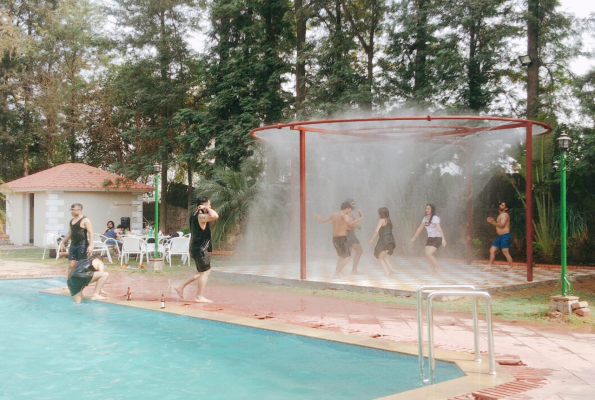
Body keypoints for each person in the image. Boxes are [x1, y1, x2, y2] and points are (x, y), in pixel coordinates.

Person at [175, 196, 219, 303]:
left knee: (201, 272)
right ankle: (199, 297)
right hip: (200, 249)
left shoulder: (194, 214)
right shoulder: (201, 216)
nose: (210, 207)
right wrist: (206, 208)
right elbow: (215, 216)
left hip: (195, 248)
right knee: (206, 272)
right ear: (203, 205)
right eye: (209, 204)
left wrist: (205, 207)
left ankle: (180, 287)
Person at [314, 201, 363, 278]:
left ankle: (338, 272)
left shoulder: (333, 214)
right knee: (348, 257)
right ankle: (336, 273)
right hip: (342, 238)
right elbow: (350, 224)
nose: (350, 211)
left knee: (342, 257)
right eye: (350, 209)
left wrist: (319, 218)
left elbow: (323, 221)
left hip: (335, 238)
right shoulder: (344, 215)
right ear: (347, 208)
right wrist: (360, 217)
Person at [410, 204, 447, 274]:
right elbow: (419, 228)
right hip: (430, 238)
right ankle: (433, 270)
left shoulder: (435, 218)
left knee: (429, 254)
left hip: (437, 238)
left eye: (428, 209)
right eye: (426, 208)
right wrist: (414, 237)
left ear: (432, 210)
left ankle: (439, 268)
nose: (427, 210)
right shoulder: (425, 218)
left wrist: (443, 239)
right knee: (426, 255)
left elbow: (439, 228)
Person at [59, 203, 94, 274]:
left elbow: (91, 233)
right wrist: (63, 242)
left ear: (79, 210)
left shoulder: (85, 220)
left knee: (81, 265)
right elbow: (69, 233)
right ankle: (70, 282)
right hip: (73, 244)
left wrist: (90, 245)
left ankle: (82, 281)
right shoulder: (72, 220)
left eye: (73, 210)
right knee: (71, 265)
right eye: (71, 210)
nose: (72, 211)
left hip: (82, 245)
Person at [484, 201, 513, 271]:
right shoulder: (501, 215)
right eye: (500, 205)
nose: (500, 206)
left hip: (505, 236)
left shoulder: (504, 215)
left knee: (505, 251)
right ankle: (489, 266)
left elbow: (502, 225)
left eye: (502, 205)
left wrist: (492, 222)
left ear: (506, 208)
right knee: (492, 250)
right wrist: (493, 222)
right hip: (500, 236)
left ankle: (511, 267)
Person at [368, 207, 397, 277]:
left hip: (384, 240)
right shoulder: (388, 220)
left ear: (381, 213)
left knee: (380, 257)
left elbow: (376, 231)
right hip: (390, 240)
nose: (378, 214)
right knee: (383, 256)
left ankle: (386, 273)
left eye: (379, 213)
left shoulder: (381, 220)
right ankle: (392, 270)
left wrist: (372, 239)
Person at [345, 198, 364, 275]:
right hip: (348, 234)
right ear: (348, 205)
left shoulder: (350, 213)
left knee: (359, 251)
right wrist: (360, 217)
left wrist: (358, 226)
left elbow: (352, 223)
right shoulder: (346, 214)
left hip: (351, 234)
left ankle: (354, 270)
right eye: (353, 204)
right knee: (347, 255)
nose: (354, 205)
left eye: (354, 204)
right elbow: (350, 224)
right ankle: (339, 271)